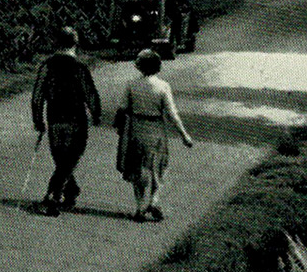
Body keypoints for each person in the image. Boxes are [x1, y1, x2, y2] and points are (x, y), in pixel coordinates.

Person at [30, 26, 102, 216]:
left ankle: (70, 190)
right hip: (76, 120)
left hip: (54, 120)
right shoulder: (79, 68)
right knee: (69, 159)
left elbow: (37, 95)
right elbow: (90, 94)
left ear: (56, 43)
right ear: (75, 44)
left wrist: (37, 119)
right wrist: (96, 114)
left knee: (61, 158)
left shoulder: (46, 66)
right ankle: (53, 197)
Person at [117, 47, 194, 222]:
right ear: (158, 66)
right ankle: (154, 200)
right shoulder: (163, 86)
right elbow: (172, 114)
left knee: (138, 168)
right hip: (156, 130)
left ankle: (139, 208)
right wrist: (184, 135)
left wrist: (121, 128)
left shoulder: (131, 85)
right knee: (159, 167)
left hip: (136, 129)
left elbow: (122, 108)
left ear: (139, 66)